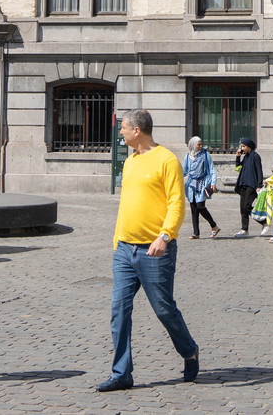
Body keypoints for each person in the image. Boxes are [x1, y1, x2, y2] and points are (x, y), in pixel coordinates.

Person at [97, 109, 199, 392]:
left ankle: (189, 351)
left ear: (137, 131)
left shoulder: (167, 160)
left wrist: (164, 237)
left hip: (155, 251)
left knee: (164, 309)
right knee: (119, 310)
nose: (121, 133)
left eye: (124, 129)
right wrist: (118, 240)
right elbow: (126, 205)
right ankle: (121, 374)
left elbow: (177, 204)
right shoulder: (130, 162)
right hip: (125, 251)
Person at [182, 137, 219, 239]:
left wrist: (213, 182)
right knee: (194, 208)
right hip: (191, 185)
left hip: (202, 183)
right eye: (198, 144)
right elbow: (184, 170)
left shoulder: (205, 155)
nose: (201, 146)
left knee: (200, 206)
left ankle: (214, 225)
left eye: (201, 144)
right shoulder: (188, 156)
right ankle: (196, 233)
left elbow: (211, 169)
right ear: (193, 145)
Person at [232, 138, 264, 237]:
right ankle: (244, 229)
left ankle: (264, 222)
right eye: (241, 146)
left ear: (249, 146)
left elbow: (259, 171)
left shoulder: (255, 156)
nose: (242, 148)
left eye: (244, 146)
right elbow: (239, 168)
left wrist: (259, 185)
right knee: (243, 208)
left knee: (247, 206)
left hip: (252, 185)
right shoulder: (245, 157)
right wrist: (238, 157)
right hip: (243, 185)